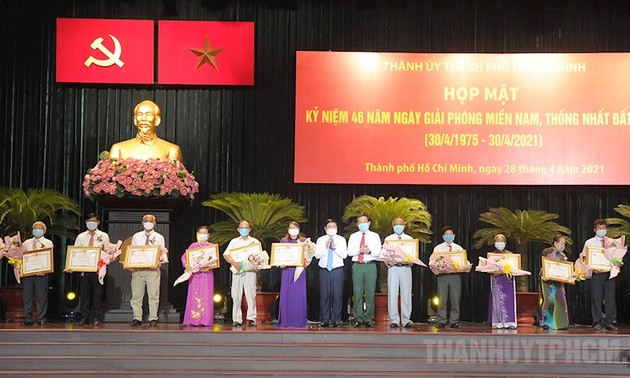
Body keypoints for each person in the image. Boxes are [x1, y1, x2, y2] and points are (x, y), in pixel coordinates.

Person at [109, 100, 183, 162]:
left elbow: (177, 177)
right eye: (140, 114)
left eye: (148, 114)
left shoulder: (171, 150)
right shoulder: (118, 149)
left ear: (157, 121)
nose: (143, 119)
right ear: (135, 120)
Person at [129, 214, 167, 327]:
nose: (148, 222)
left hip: (153, 271)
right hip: (138, 270)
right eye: (146, 221)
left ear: (155, 223)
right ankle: (137, 318)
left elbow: (162, 254)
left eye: (151, 221)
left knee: (153, 295)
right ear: (142, 222)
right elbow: (133, 252)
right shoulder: (136, 236)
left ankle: (153, 318)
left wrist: (157, 263)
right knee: (136, 295)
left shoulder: (159, 237)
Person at [73, 213, 110, 326]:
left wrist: (106, 259)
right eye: (89, 221)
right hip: (84, 269)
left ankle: (96, 317)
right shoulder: (81, 237)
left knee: (97, 294)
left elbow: (107, 251)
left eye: (93, 221)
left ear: (98, 222)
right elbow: (75, 252)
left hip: (98, 269)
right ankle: (84, 317)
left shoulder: (104, 236)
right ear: (85, 222)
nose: (91, 223)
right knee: (84, 294)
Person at [223, 220, 261, 327]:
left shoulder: (255, 242)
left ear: (250, 229)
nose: (244, 230)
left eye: (246, 228)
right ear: (238, 229)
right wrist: (234, 263)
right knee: (236, 295)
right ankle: (237, 319)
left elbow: (259, 258)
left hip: (250, 272)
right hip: (237, 271)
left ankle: (252, 318)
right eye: (242, 228)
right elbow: (226, 255)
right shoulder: (234, 242)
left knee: (251, 294)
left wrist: (256, 267)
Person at [582, 219, 617, 331]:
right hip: (596, 274)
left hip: (609, 274)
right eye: (599, 228)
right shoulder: (589, 242)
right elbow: (584, 258)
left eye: (603, 228)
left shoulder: (612, 242)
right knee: (596, 298)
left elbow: (616, 257)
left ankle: (610, 321)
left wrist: (617, 263)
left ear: (606, 229)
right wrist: (591, 267)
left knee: (610, 298)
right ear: (594, 230)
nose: (602, 230)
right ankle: (597, 321)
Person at [347, 214, 382, 327]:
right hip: (357, 265)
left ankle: (368, 317)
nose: (362, 224)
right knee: (357, 292)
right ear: (357, 224)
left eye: (364, 222)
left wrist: (369, 251)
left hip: (370, 265)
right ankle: (358, 317)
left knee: (370, 292)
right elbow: (349, 252)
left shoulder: (375, 236)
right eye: (360, 222)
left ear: (369, 223)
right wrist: (359, 250)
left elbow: (378, 252)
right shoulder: (353, 236)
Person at [315, 219, 347, 327]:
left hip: (337, 270)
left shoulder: (341, 239)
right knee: (325, 295)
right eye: (330, 226)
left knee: (337, 295)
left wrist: (334, 248)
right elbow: (317, 255)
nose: (332, 228)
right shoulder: (320, 240)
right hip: (324, 270)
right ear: (325, 228)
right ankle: (325, 319)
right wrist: (325, 248)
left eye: (334, 226)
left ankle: (336, 319)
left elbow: (344, 255)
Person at [181, 225, 215, 327]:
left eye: (205, 233)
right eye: (201, 233)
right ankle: (193, 320)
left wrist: (208, 267)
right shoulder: (193, 246)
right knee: (194, 296)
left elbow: (215, 261)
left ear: (208, 235)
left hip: (206, 275)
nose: (203, 235)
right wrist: (187, 265)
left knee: (206, 296)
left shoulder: (211, 246)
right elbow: (185, 257)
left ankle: (205, 320)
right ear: (197, 234)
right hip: (195, 276)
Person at [431, 225, 464, 328]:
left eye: (451, 235)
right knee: (442, 299)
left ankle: (454, 321)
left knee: (455, 299)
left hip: (455, 276)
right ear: (443, 236)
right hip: (442, 277)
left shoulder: (458, 248)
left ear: (454, 236)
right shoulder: (438, 248)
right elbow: (432, 262)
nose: (449, 236)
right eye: (447, 235)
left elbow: (463, 262)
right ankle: (441, 320)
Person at [21, 221, 54, 326]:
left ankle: (41, 317)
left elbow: (50, 258)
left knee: (41, 296)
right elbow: (21, 257)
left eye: (39, 228)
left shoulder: (48, 243)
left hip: (42, 274)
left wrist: (45, 269)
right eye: (35, 228)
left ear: (44, 231)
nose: (37, 230)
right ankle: (28, 318)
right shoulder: (26, 243)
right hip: (28, 274)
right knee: (27, 296)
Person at [384, 217, 414, 328]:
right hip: (393, 268)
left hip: (406, 268)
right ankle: (394, 320)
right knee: (392, 293)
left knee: (406, 294)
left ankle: (406, 320)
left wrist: (412, 260)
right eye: (396, 225)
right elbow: (385, 255)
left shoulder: (410, 239)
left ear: (405, 225)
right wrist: (388, 261)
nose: (398, 226)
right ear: (392, 226)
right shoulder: (388, 239)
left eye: (400, 224)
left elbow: (413, 255)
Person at [277, 221, 307, 328]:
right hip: (287, 271)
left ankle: (298, 320)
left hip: (299, 272)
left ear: (298, 229)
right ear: (288, 229)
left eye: (295, 228)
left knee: (298, 296)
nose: (293, 230)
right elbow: (279, 256)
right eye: (291, 228)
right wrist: (280, 263)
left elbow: (307, 256)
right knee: (287, 295)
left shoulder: (303, 241)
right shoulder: (284, 241)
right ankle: (286, 321)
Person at [540, 234, 570, 330]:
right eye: (561, 244)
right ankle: (546, 322)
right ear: (555, 243)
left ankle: (561, 323)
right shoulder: (547, 252)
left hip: (559, 281)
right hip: (547, 279)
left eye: (564, 244)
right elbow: (545, 265)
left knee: (561, 300)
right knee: (549, 300)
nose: (563, 246)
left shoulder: (563, 255)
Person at [487, 234, 517, 329]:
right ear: (494, 243)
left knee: (509, 300)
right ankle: (497, 322)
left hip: (508, 280)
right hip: (496, 280)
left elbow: (515, 267)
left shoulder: (510, 255)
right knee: (497, 300)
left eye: (502, 241)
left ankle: (510, 322)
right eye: (498, 241)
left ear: (505, 243)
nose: (500, 243)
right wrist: (494, 272)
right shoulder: (491, 256)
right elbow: (487, 268)